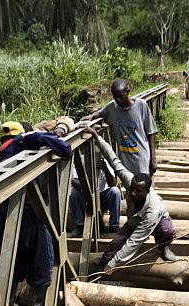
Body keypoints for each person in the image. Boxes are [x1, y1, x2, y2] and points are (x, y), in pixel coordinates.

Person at [0, 119, 72, 306]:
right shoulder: (26, 139)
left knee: (12, 259)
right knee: (42, 259)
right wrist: (62, 145)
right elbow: (64, 148)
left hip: (5, 217)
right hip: (31, 213)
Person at [81, 126, 176, 272]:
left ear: (147, 191)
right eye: (132, 189)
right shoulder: (130, 181)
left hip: (156, 222)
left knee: (167, 231)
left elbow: (135, 241)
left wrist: (114, 265)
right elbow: (113, 159)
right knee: (111, 250)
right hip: (134, 221)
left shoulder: (153, 209)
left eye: (138, 191)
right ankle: (97, 276)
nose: (132, 193)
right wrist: (96, 137)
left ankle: (163, 247)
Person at [80, 78, 158, 177]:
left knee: (144, 189)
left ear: (128, 92)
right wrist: (91, 116)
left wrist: (153, 158)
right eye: (115, 97)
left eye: (121, 96)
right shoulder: (113, 106)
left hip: (142, 159)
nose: (118, 100)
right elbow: (100, 113)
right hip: (125, 160)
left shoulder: (141, 106)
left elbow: (150, 133)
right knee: (130, 189)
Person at [68, 156, 122, 237]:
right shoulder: (80, 160)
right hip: (85, 197)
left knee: (115, 191)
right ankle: (79, 226)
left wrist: (105, 169)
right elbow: (74, 181)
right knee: (75, 193)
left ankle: (114, 226)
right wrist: (88, 185)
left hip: (102, 197)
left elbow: (113, 183)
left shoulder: (105, 162)